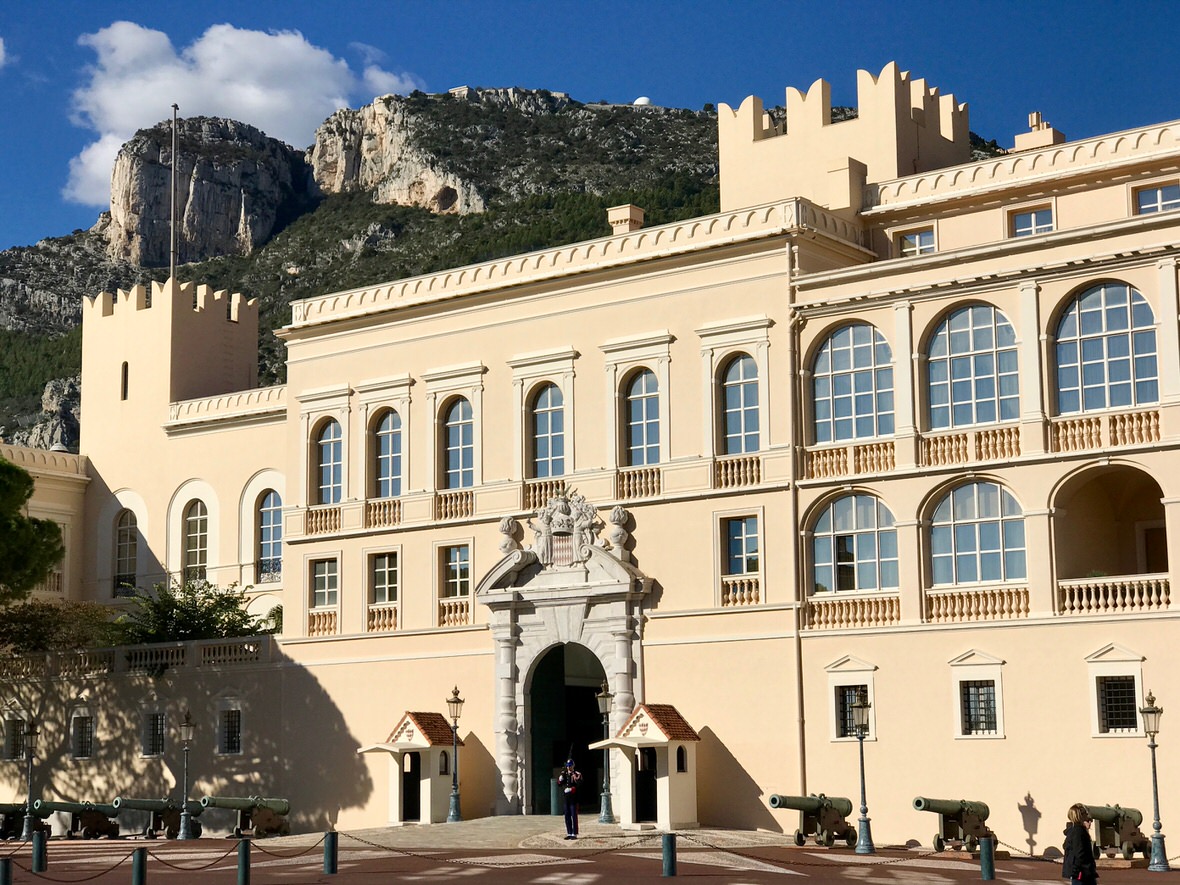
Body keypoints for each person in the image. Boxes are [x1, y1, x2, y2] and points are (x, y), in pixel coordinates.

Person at [1062, 803, 1099, 885]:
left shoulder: (1075, 830)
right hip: (1082, 872)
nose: (1087, 816)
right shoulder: (1078, 832)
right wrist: (1086, 868)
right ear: (1080, 816)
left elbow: (1066, 846)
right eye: (1085, 813)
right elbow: (1079, 853)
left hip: (1082, 871)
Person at [558, 759, 582, 839]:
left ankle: (574, 833)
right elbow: (560, 784)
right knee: (567, 815)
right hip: (566, 798)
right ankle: (569, 832)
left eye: (570, 766)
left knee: (574, 815)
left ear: (573, 766)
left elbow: (579, 784)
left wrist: (572, 789)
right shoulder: (565, 774)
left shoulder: (577, 774)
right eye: (568, 766)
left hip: (574, 798)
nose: (569, 767)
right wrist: (560, 780)